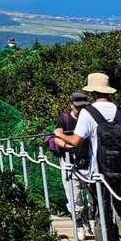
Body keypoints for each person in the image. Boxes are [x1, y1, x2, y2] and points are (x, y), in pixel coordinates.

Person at [52, 72, 121, 241]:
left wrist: (58, 134)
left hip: (99, 173)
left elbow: (75, 141)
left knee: (102, 214)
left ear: (92, 92)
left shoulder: (88, 113)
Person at [47, 91, 91, 226]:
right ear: (71, 105)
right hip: (68, 160)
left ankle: (90, 220)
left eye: (83, 106)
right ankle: (78, 222)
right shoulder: (64, 119)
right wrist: (67, 146)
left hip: (88, 160)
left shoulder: (89, 117)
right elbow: (56, 137)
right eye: (78, 107)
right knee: (74, 195)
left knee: (92, 194)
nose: (80, 109)